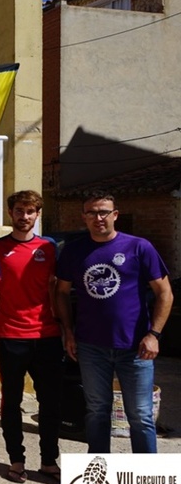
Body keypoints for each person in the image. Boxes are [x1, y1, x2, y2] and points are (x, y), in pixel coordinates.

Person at [56, 191, 173, 454]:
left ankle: (145, 480)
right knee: (97, 411)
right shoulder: (74, 251)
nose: (98, 218)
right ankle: (99, 477)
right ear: (84, 217)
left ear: (115, 215)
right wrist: (68, 332)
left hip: (136, 347)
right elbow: (61, 292)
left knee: (141, 416)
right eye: (92, 213)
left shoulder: (139, 247)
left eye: (104, 212)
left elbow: (165, 292)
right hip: (90, 346)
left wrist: (154, 334)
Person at [0, 189, 62, 484]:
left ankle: (48, 460)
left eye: (30, 211)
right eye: (19, 210)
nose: (24, 216)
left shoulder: (51, 247)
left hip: (47, 335)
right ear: (10, 213)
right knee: (12, 401)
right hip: (9, 335)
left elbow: (60, 289)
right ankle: (16, 460)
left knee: (51, 402)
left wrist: (66, 330)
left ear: (38, 214)